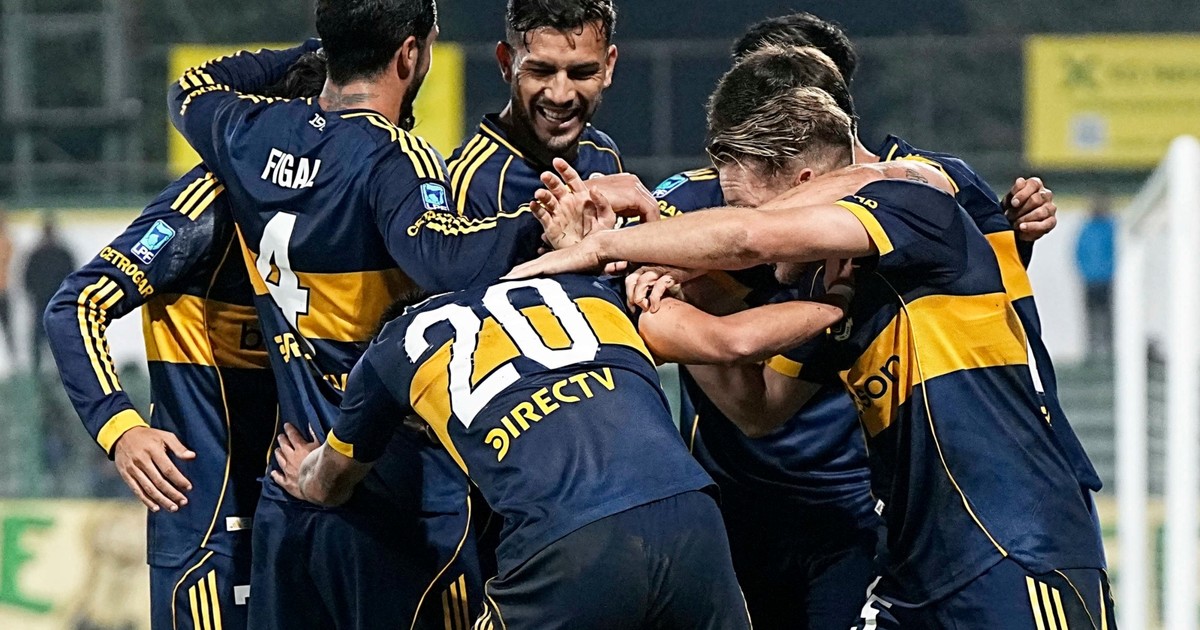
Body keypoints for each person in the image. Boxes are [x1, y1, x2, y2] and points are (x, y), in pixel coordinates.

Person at [512, 82, 1113, 629]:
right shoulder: (836, 289)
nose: (744, 220)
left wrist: (607, 248)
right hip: (915, 573)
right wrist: (644, 279)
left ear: (803, 185)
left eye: (748, 203)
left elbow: (749, 238)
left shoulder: (913, 206)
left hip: (1015, 548)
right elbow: (754, 398)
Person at [648, 19, 1066, 626]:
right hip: (732, 498)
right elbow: (745, 388)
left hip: (863, 503)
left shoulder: (921, 184)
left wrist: (1016, 233)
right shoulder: (695, 201)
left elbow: (988, 297)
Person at [168, 1, 523, 626]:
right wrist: (545, 223)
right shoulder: (395, 157)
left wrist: (325, 47)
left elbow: (189, 89)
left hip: (292, 494)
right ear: (409, 54)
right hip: (399, 496)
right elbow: (443, 257)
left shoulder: (252, 135)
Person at [273, 274, 793, 629]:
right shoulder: (588, 288)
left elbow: (331, 482)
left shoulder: (391, 352)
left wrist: (306, 477)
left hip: (566, 544)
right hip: (693, 514)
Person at [42, 53, 326, 630]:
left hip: (320, 516)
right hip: (215, 529)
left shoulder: (357, 200)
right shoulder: (208, 202)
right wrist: (120, 427)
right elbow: (75, 305)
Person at [447, 0, 625, 270]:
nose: (560, 95)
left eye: (582, 73)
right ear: (507, 63)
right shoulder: (471, 183)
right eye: (541, 71)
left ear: (608, 66)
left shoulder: (603, 151)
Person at [23, 215, 76, 374]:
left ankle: (57, 372)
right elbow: (28, 279)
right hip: (47, 303)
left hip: (55, 303)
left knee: (57, 339)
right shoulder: (48, 254)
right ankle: (40, 372)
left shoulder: (59, 254)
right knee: (42, 341)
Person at [1075, 196, 1116, 357]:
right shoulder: (1088, 228)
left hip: (1106, 280)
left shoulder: (1111, 227)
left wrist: (1110, 271)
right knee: (1092, 316)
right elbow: (1079, 253)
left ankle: (1109, 351)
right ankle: (1092, 351)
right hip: (1091, 281)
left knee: (1107, 317)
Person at [0, 207, 14, 360]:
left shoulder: (6, 241)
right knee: (8, 328)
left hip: (3, 290)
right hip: (3, 290)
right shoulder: (6, 241)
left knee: (8, 328)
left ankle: (12, 358)